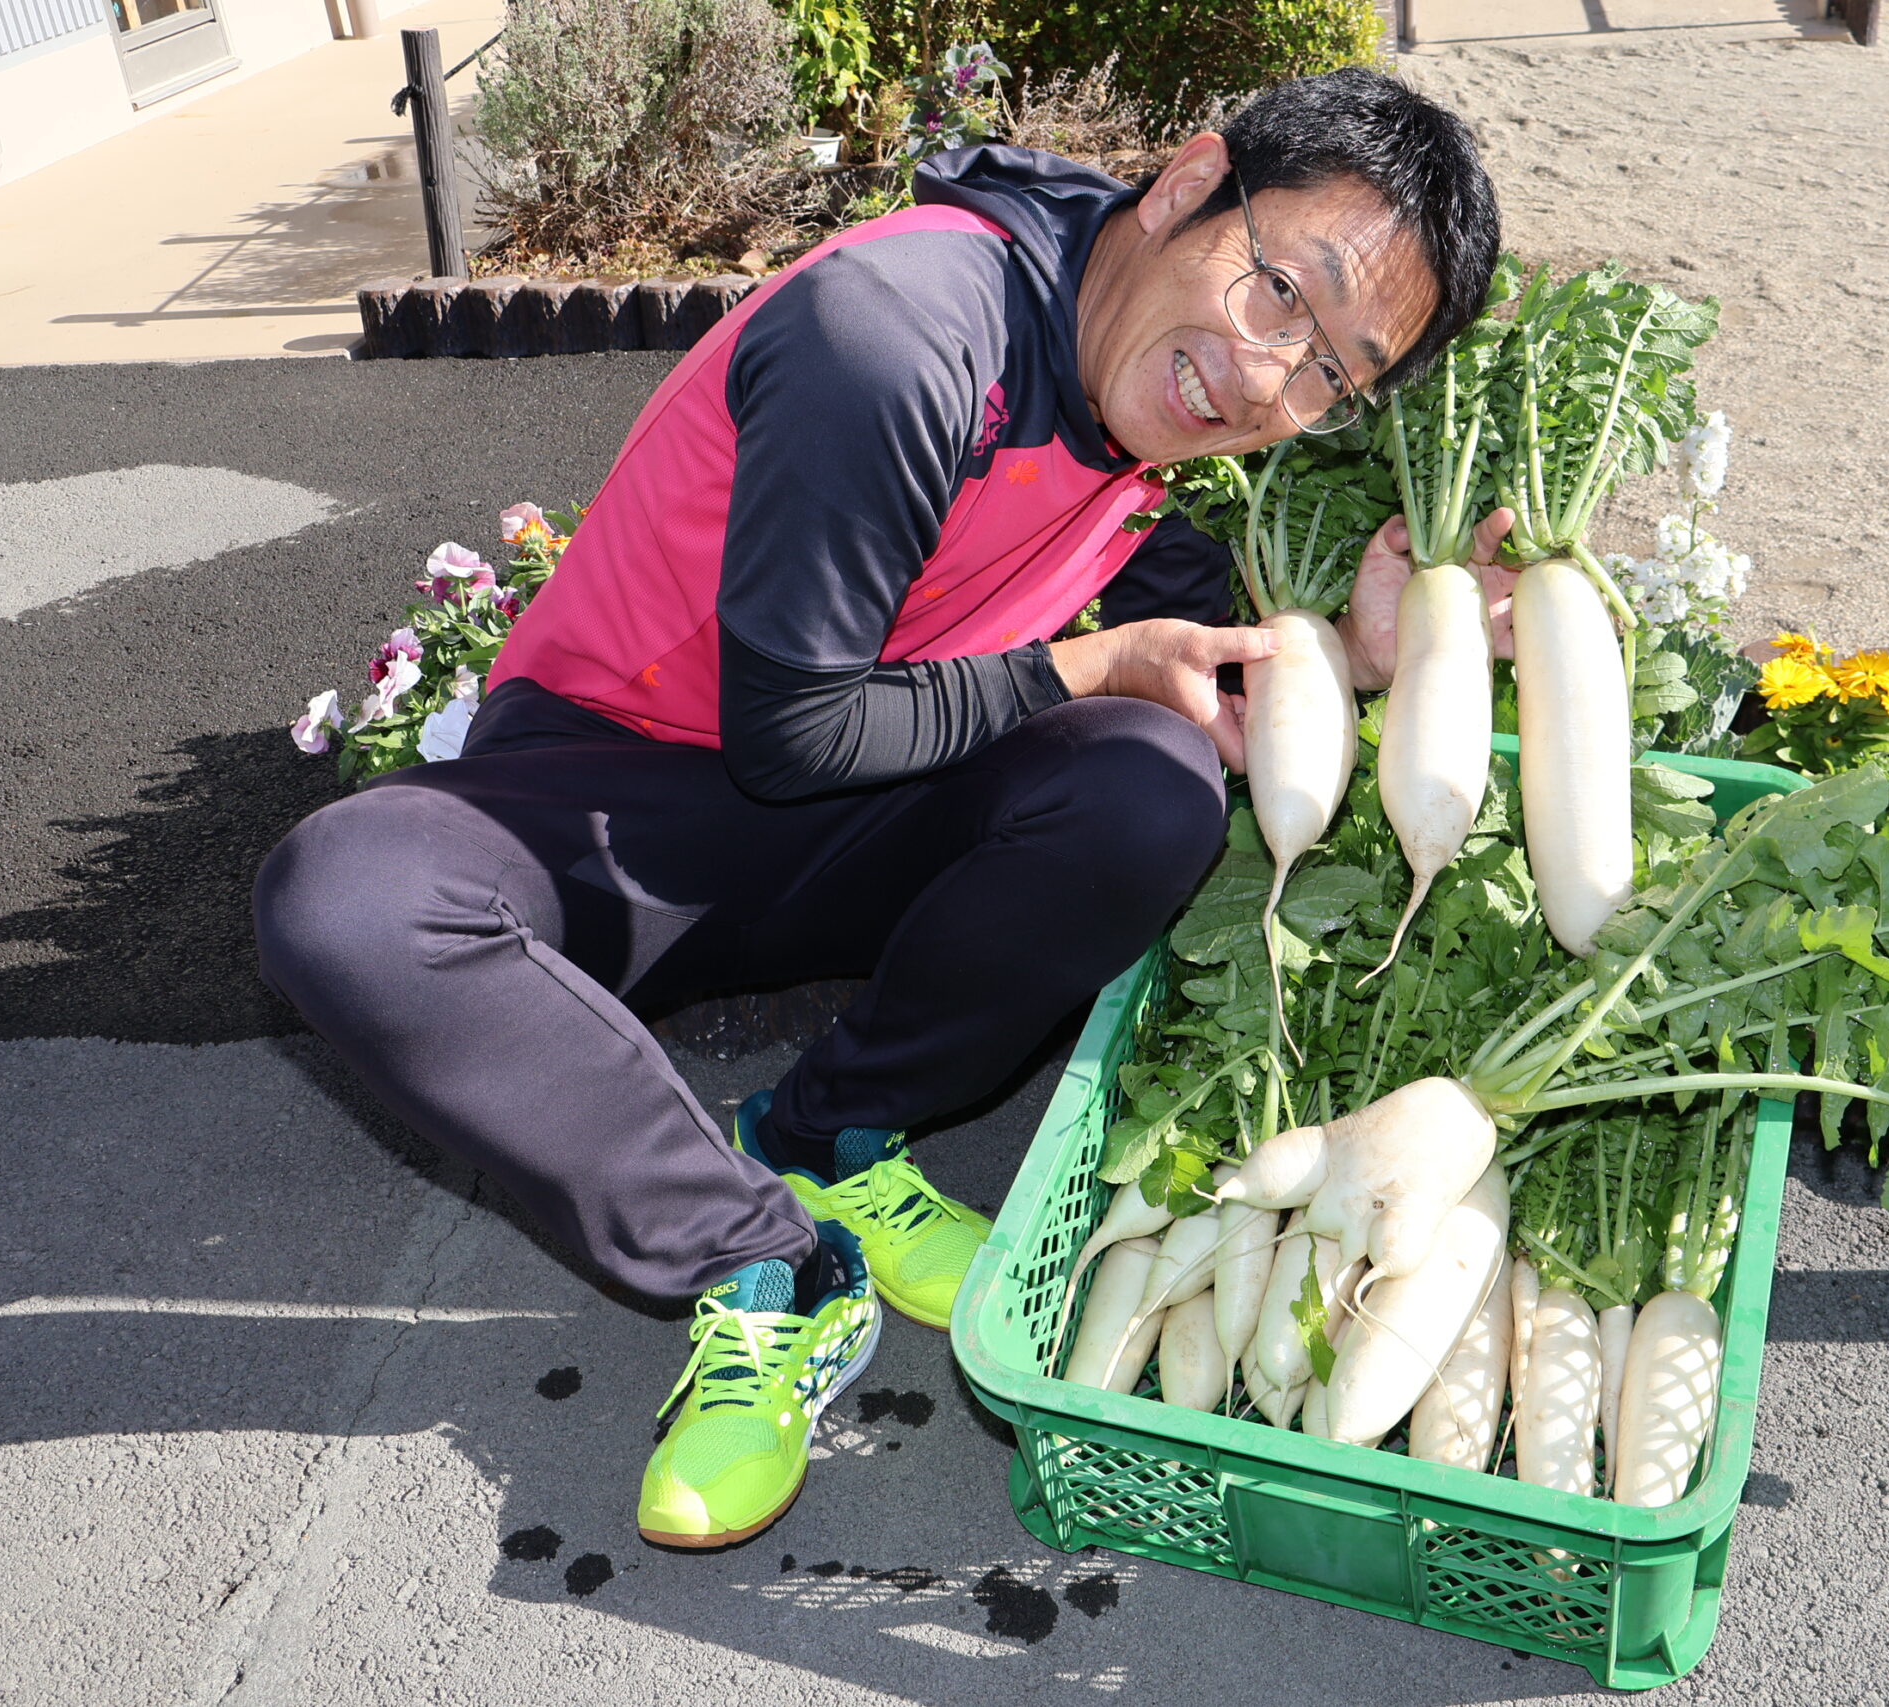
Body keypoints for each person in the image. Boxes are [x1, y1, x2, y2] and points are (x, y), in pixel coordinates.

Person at [253, 67, 1505, 1550]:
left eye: (1332, 377)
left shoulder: (1146, 415)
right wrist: (1083, 663)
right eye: (1280, 292)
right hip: (611, 818)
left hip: (846, 813)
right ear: (1185, 185)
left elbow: (1189, 673)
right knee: (350, 898)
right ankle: (769, 1267)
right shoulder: (905, 338)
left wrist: (1355, 665)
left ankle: (829, 1137)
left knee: (1147, 784)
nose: (1265, 378)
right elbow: (788, 737)